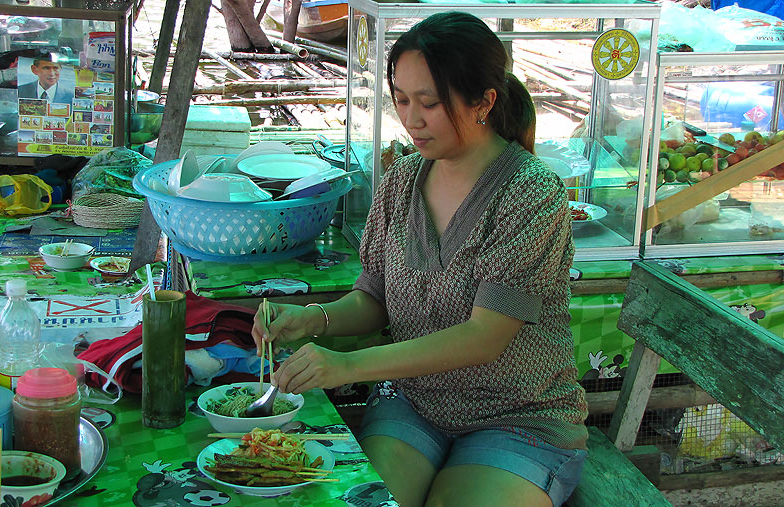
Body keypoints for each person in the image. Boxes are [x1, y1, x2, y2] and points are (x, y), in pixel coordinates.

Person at [252, 11, 588, 507]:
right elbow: (374, 297)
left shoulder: (531, 193)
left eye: (429, 103)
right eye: (403, 100)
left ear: (484, 102)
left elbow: (484, 337)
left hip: (518, 416)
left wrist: (346, 367)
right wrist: (311, 320)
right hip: (416, 403)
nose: (411, 119)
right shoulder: (404, 180)